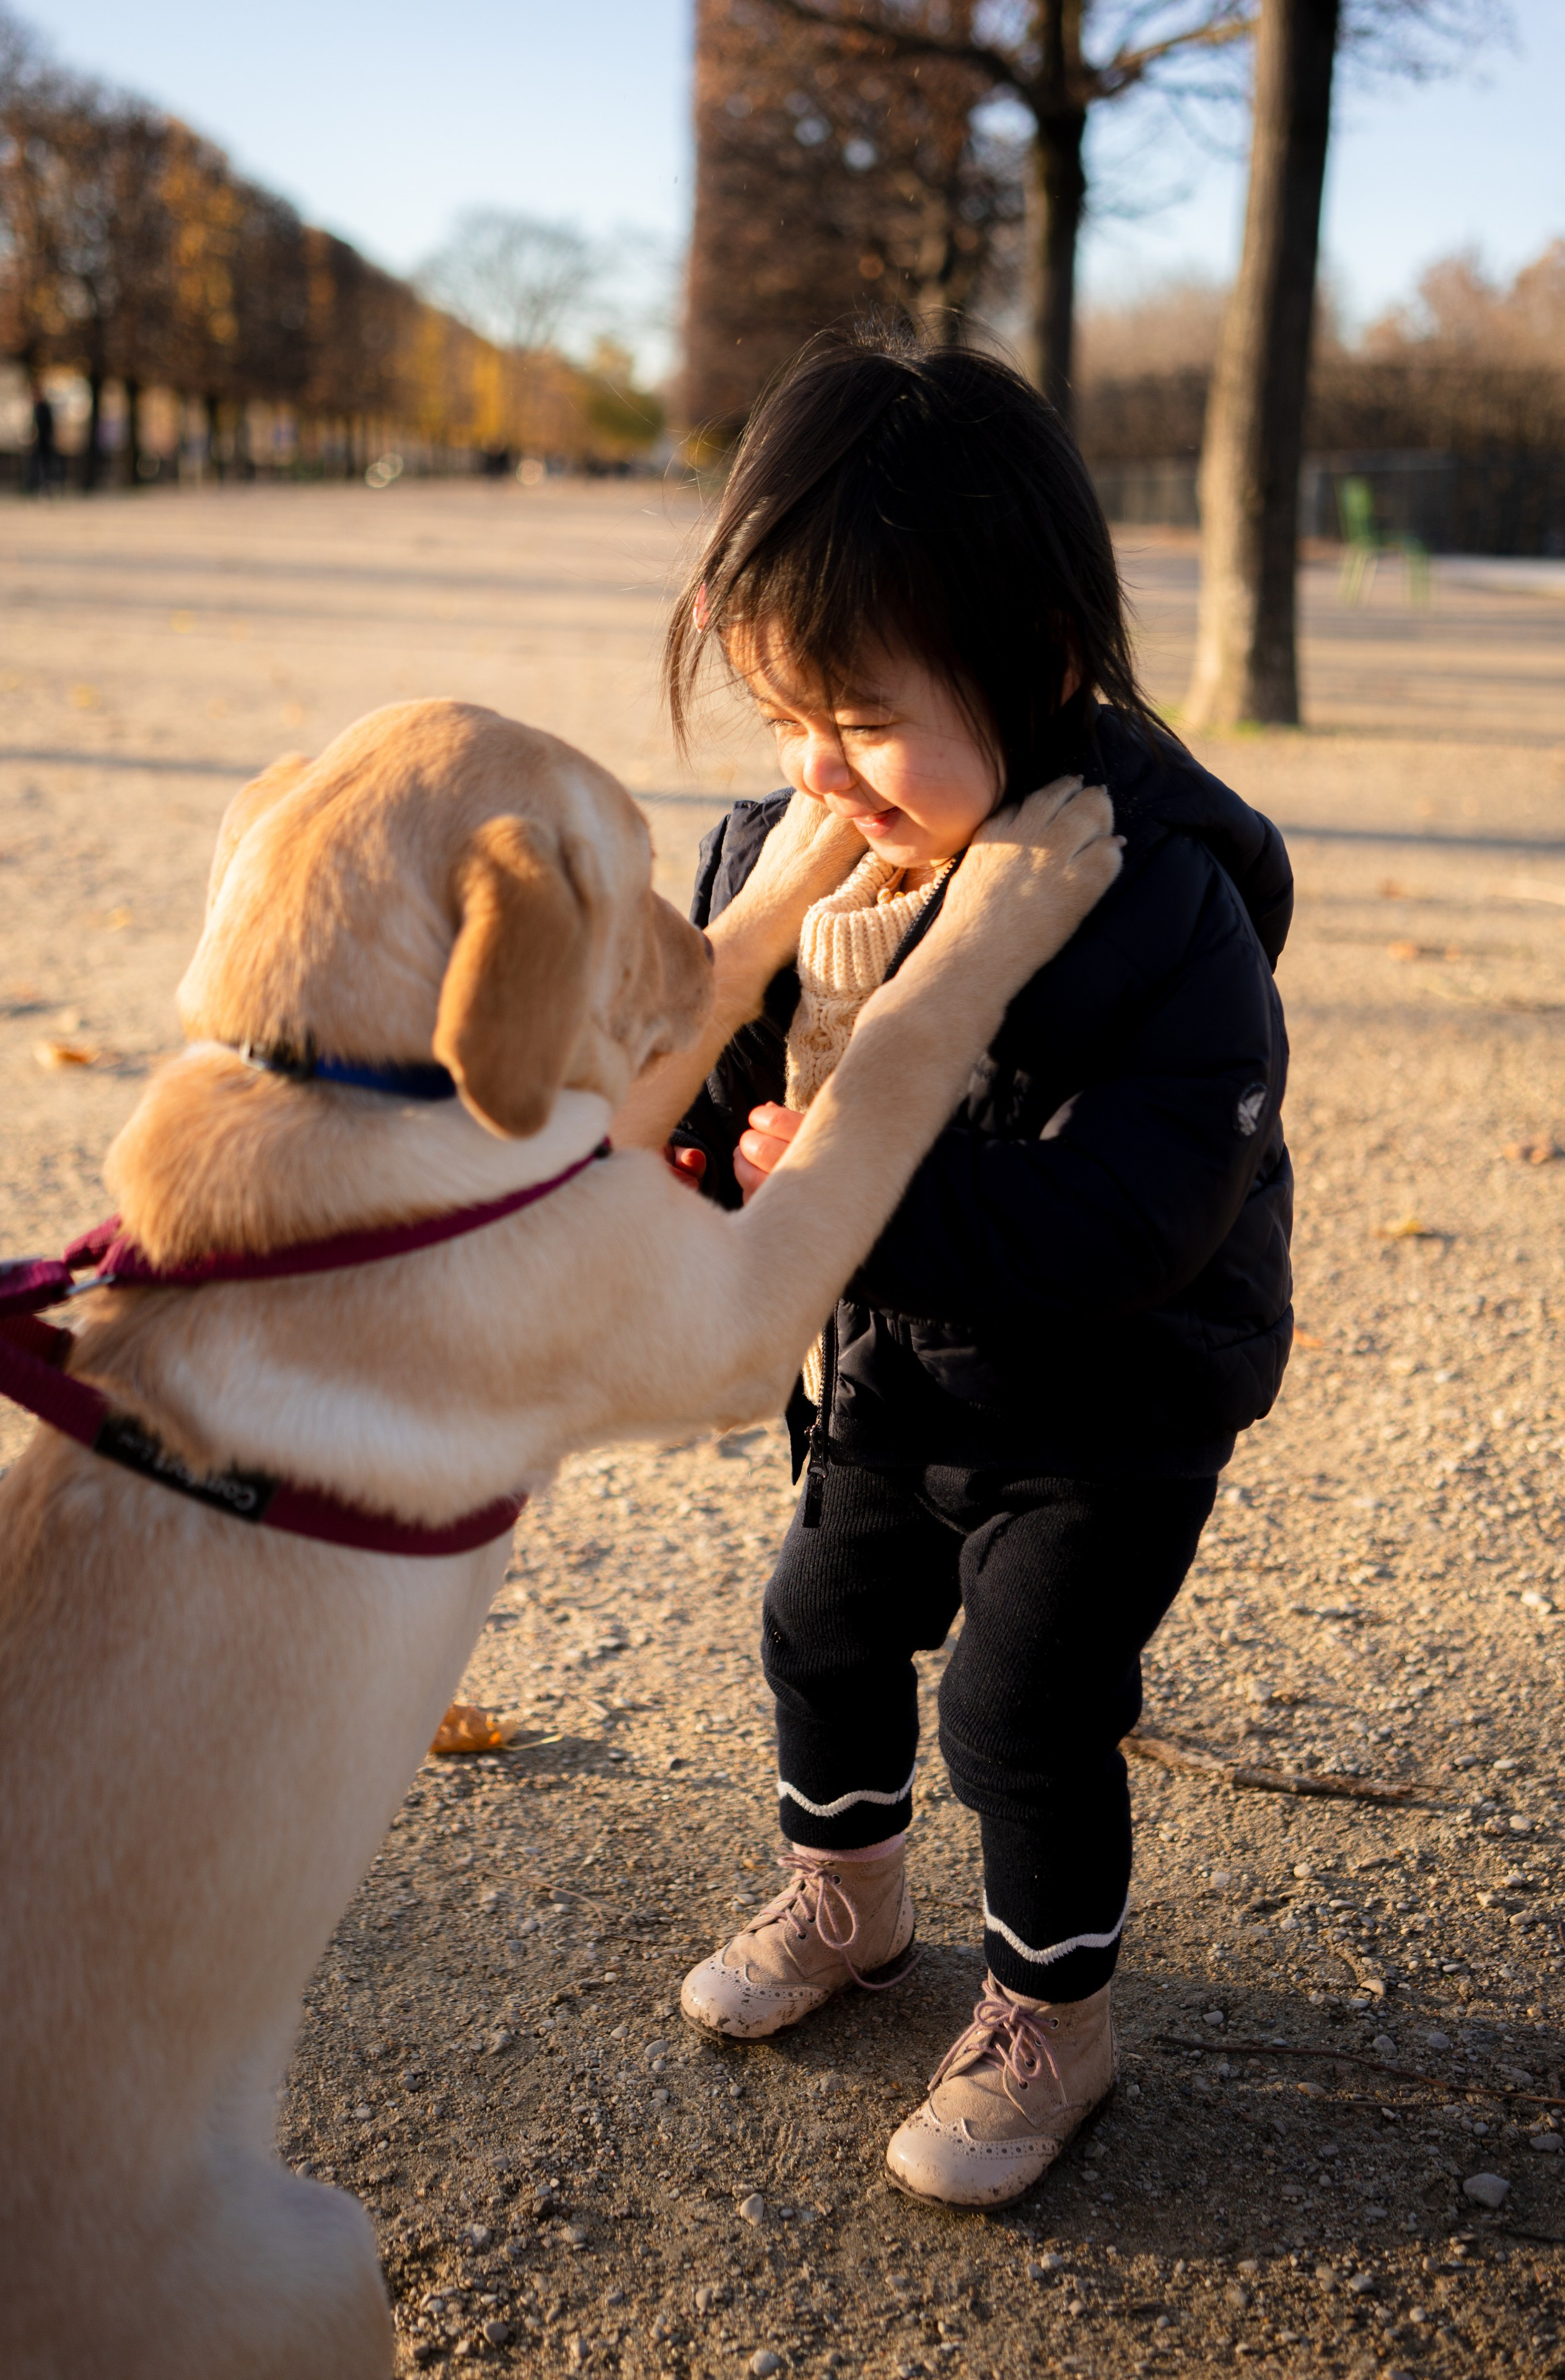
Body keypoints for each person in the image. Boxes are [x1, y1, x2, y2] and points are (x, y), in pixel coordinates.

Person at [660, 325, 1294, 2210]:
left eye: (863, 719)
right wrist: (716, 1166)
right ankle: (846, 1898)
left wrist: (849, 1198)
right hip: (890, 1372)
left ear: (1040, 656)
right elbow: (707, 1095)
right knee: (818, 1623)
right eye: (783, 713)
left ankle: (1051, 2015)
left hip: (1109, 1403)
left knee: (1020, 1706)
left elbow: (1136, 1219)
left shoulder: (1154, 897)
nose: (818, 767)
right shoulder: (784, 860)